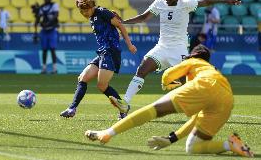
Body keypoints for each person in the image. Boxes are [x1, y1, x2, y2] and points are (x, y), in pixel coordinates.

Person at [85, 44, 254, 158]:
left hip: (203, 87)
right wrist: (173, 138)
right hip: (227, 99)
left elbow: (167, 75)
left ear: (193, 55)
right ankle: (230, 144)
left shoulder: (193, 61)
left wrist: (168, 84)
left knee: (153, 109)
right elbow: (197, 119)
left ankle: (107, 133)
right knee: (193, 147)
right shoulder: (211, 70)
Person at [109, 0, 241, 118]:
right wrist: (123, 22)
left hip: (179, 49)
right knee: (142, 69)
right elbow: (143, 17)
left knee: (186, 83)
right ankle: (125, 104)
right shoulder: (159, 3)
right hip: (162, 47)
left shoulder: (186, 4)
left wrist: (226, 0)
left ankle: (205, 105)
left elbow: (206, 2)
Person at [60, 0, 137, 119]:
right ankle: (72, 108)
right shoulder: (92, 17)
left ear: (91, 7)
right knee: (83, 78)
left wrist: (129, 44)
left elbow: (120, 25)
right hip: (103, 52)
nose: (84, 13)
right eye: (81, 11)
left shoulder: (102, 12)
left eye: (86, 10)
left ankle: (124, 108)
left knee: (102, 85)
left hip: (111, 52)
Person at [34, 0, 59, 74]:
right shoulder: (41, 7)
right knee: (44, 49)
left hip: (52, 29)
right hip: (44, 30)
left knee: (52, 49)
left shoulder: (54, 5)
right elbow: (38, 19)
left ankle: (54, 68)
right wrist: (36, 13)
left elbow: (56, 15)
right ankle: (44, 68)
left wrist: (47, 23)